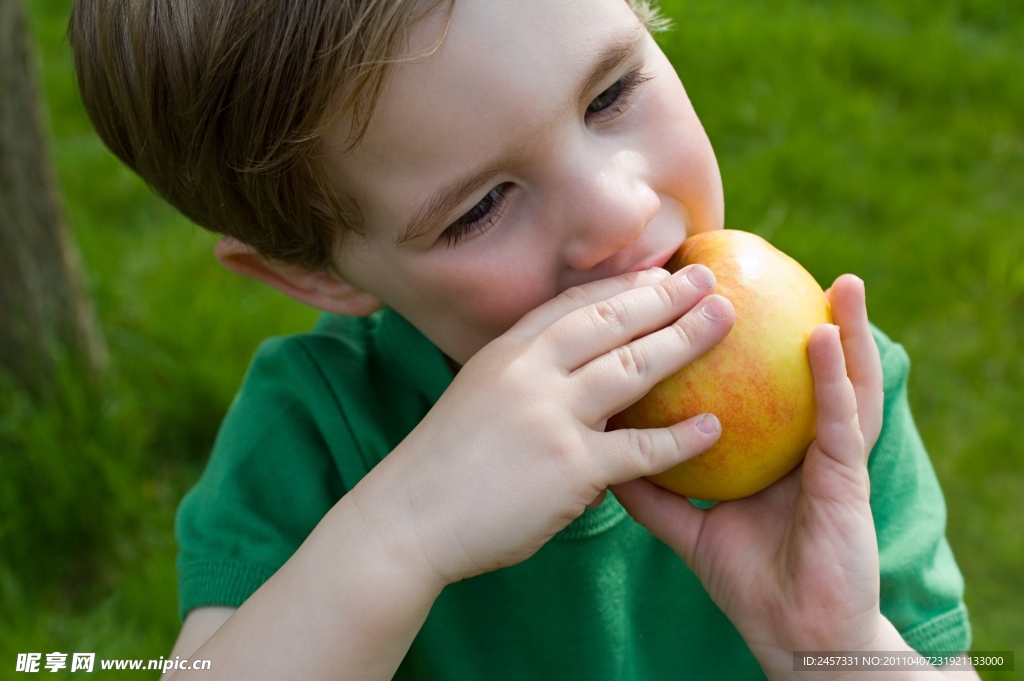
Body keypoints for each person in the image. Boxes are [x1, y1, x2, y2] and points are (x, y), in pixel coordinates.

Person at [70, 0, 976, 678]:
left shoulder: (832, 400)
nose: (619, 209)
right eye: (480, 208)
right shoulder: (318, 433)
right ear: (323, 274)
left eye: (613, 92)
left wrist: (841, 646)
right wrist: (408, 529)